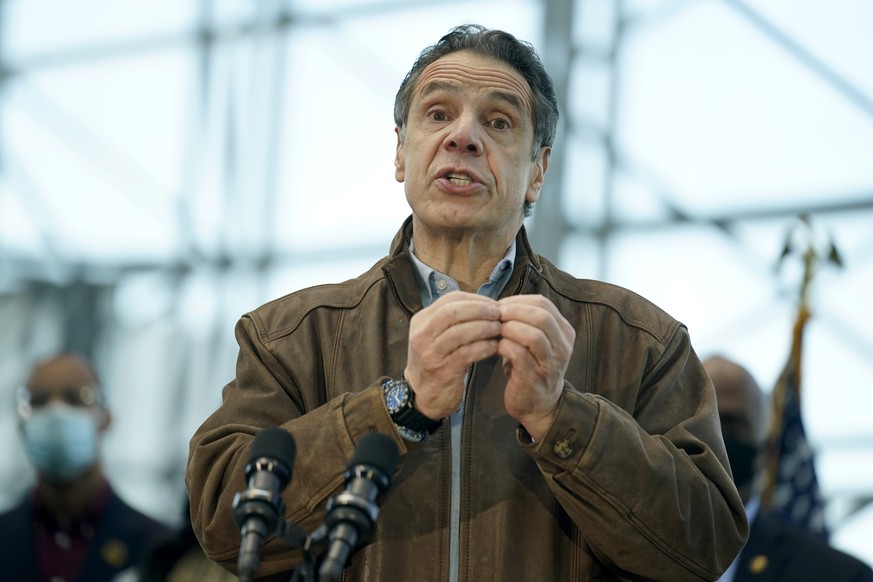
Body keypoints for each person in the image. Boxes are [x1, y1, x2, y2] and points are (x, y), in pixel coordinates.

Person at [187, 24, 748, 581]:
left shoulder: (641, 341)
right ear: (401, 154)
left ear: (537, 171)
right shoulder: (289, 337)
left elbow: (704, 545)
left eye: (499, 122)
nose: (463, 137)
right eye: (437, 115)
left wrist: (559, 416)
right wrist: (398, 408)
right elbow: (223, 526)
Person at [0, 352, 172, 582]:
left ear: (107, 418)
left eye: (76, 398)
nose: (56, 413)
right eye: (38, 401)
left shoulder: (158, 548)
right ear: (21, 426)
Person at [703, 355, 873, 582]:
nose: (715, 437)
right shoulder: (641, 556)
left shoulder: (839, 575)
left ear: (769, 449)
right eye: (703, 421)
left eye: (733, 423)